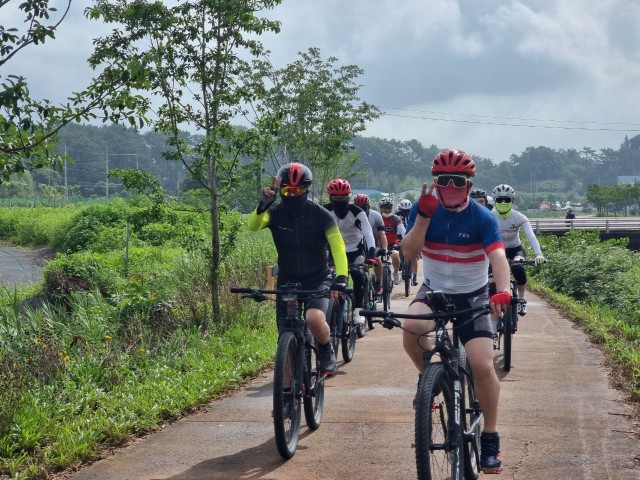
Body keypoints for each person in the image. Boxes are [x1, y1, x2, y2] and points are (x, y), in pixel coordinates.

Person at [401, 149, 512, 474]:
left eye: (458, 181)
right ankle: (428, 383)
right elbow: (409, 253)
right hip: (434, 290)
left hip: (473, 296)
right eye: (443, 180)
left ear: (468, 184)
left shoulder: (482, 217)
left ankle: (490, 436)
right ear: (435, 182)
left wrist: (503, 291)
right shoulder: (425, 210)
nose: (450, 186)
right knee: (411, 330)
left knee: (480, 363)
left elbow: (499, 259)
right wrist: (422, 217)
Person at [248, 163, 348, 376]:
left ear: (307, 190)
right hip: (287, 280)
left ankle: (325, 347)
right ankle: (285, 402)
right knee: (285, 338)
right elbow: (254, 226)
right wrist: (262, 206)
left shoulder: (321, 215)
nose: (292, 195)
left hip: (317, 279)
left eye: (297, 191)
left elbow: (338, 248)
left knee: (313, 318)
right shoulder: (275, 212)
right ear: (281, 190)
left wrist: (341, 278)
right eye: (287, 191)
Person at [325, 179, 376, 326]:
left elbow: (368, 233)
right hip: (334, 252)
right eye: (335, 198)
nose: (339, 201)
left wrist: (371, 253)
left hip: (355, 251)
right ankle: (332, 309)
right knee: (330, 281)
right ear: (330, 198)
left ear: (348, 198)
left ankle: (358, 310)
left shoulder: (357, 212)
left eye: (343, 198)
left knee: (359, 276)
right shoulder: (325, 211)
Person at [491, 184, 546, 315]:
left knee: (518, 267)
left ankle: (521, 300)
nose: (503, 202)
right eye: (500, 200)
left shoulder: (519, 217)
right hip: (496, 251)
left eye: (507, 200)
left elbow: (531, 236)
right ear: (495, 201)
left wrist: (539, 254)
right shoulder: (489, 216)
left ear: (512, 201)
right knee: (489, 275)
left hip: (515, 249)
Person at [354, 193, 387, 296]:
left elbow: (382, 234)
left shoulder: (376, 216)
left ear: (369, 207)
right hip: (358, 246)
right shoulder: (351, 215)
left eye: (364, 207)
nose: (361, 210)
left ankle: (378, 282)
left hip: (373, 246)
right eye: (357, 207)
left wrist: (384, 249)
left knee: (377, 259)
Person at [378, 197, 405, 285]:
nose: (387, 210)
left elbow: (402, 229)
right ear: (381, 208)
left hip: (392, 243)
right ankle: (378, 278)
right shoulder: (378, 218)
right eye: (385, 207)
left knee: (396, 255)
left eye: (389, 207)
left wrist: (406, 239)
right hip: (380, 244)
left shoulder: (395, 218)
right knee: (377, 259)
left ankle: (396, 273)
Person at [396, 198, 419, 286]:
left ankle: (414, 276)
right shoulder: (397, 215)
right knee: (400, 248)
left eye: (407, 210)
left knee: (413, 256)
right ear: (400, 209)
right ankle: (401, 260)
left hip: (412, 234)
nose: (405, 212)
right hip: (400, 235)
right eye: (403, 210)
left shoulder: (414, 214)